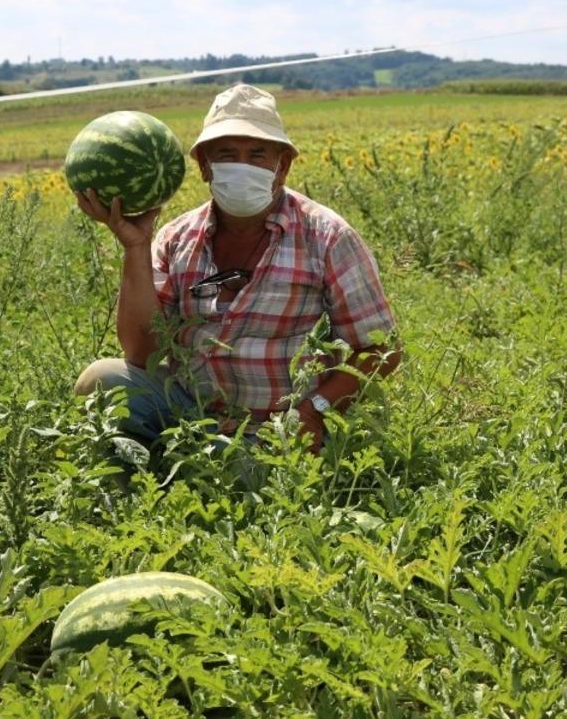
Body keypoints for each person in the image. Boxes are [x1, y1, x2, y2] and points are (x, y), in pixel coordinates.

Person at [74, 83, 400, 451]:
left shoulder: (327, 237)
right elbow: (141, 354)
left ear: (282, 166)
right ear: (204, 166)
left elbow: (381, 350)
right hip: (191, 415)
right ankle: (166, 465)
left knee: (236, 471)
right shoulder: (177, 239)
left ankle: (182, 467)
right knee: (101, 381)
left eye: (257, 155)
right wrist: (135, 246)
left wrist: (315, 410)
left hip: (278, 433)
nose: (242, 166)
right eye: (227, 155)